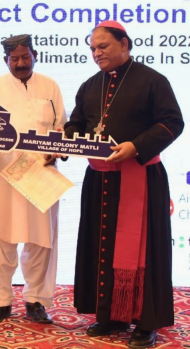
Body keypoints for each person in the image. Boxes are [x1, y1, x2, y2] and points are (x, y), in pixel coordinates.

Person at [64, 20, 183, 349]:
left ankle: (146, 322)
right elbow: (76, 124)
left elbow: (172, 122)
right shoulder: (90, 86)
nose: (96, 53)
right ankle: (110, 314)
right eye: (92, 48)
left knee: (144, 252)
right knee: (101, 247)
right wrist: (63, 142)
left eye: (103, 46)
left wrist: (136, 146)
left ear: (124, 44)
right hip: (99, 179)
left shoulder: (152, 81)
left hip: (140, 177)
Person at [0, 34, 66, 324]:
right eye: (15, 59)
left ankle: (36, 300)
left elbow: (61, 128)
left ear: (35, 55)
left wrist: (57, 150)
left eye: (26, 57)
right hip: (4, 175)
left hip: (41, 174)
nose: (21, 63)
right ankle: (0, 301)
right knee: (1, 238)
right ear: (6, 60)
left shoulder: (50, 86)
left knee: (42, 240)